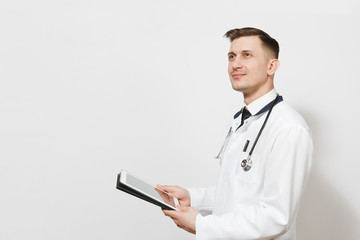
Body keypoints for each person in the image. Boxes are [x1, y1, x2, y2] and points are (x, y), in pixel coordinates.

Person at [158, 27, 313, 240]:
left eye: (246, 55)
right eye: (232, 56)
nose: (235, 64)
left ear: (272, 66)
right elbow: (236, 192)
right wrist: (192, 197)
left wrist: (201, 225)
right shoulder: (240, 120)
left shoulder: (288, 128)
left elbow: (277, 218)